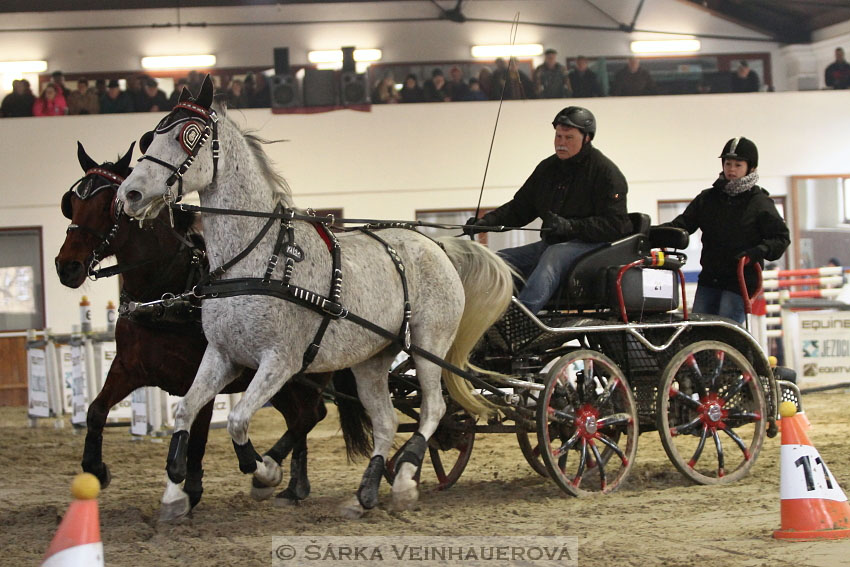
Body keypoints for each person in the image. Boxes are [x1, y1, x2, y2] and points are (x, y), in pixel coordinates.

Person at [464, 106, 631, 314]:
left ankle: (522, 319)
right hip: (553, 244)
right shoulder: (547, 169)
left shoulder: (606, 173)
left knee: (554, 254)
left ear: (587, 138)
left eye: (568, 137)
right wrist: (486, 223)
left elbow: (616, 225)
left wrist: (571, 227)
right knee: (499, 260)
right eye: (558, 136)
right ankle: (491, 315)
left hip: (594, 248)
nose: (561, 143)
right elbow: (520, 207)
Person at [662, 137, 790, 324]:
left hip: (739, 282)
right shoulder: (708, 199)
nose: (731, 169)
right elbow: (683, 224)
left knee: (726, 332)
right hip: (709, 278)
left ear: (750, 168)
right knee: (699, 330)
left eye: (738, 165)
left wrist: (758, 252)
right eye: (728, 163)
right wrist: (655, 233)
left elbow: (781, 238)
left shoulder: (760, 203)